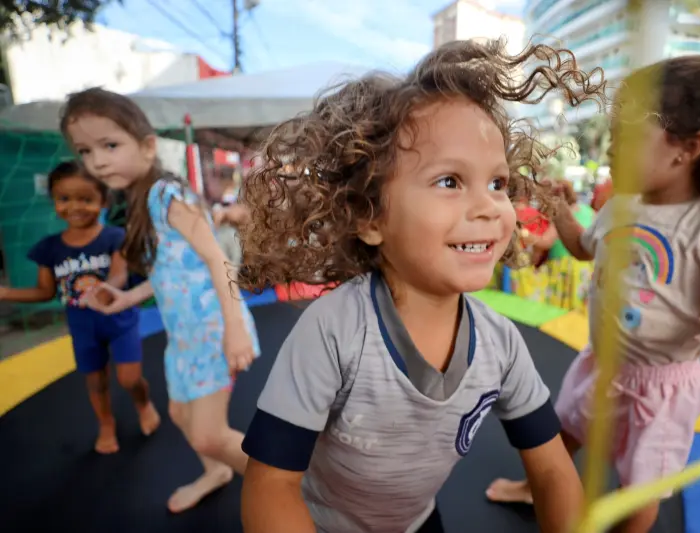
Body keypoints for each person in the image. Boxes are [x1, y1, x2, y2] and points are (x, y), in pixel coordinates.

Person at [236, 38, 606, 533]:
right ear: (370, 217)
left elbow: (554, 468)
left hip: (418, 523)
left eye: (498, 183)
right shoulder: (335, 332)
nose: (490, 207)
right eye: (450, 181)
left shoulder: (500, 345)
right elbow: (270, 485)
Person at [485, 55, 700, 533]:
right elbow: (583, 248)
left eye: (626, 136)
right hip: (601, 362)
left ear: (687, 148)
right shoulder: (619, 205)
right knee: (562, 433)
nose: (611, 147)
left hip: (663, 389)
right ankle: (536, 488)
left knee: (642, 486)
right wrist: (564, 212)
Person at [59, 88, 261, 514]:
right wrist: (127, 296)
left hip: (213, 326)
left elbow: (215, 256)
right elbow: (171, 271)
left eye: (110, 145)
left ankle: (297, 489)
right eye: (85, 150)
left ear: (148, 146)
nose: (97, 160)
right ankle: (217, 471)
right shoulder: (138, 203)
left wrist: (236, 329)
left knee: (209, 432)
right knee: (180, 416)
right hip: (184, 334)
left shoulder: (166, 195)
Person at [0, 161, 159, 454]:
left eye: (85, 199)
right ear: (54, 201)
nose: (75, 206)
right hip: (82, 323)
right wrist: (6, 292)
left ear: (103, 200)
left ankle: (143, 403)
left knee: (130, 377)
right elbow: (44, 291)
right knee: (95, 379)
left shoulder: (114, 237)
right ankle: (105, 423)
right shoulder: (49, 248)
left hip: (119, 318)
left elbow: (120, 274)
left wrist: (106, 289)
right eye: (64, 199)